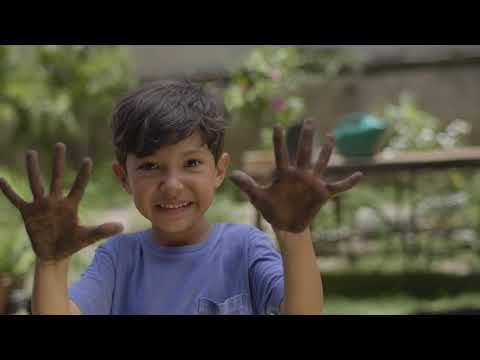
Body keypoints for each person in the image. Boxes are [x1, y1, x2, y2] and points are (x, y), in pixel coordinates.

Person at [0, 80, 362, 315]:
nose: (172, 185)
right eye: (150, 167)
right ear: (122, 178)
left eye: (191, 163)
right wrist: (50, 263)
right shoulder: (118, 260)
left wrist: (295, 235)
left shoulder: (245, 248)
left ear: (219, 170)